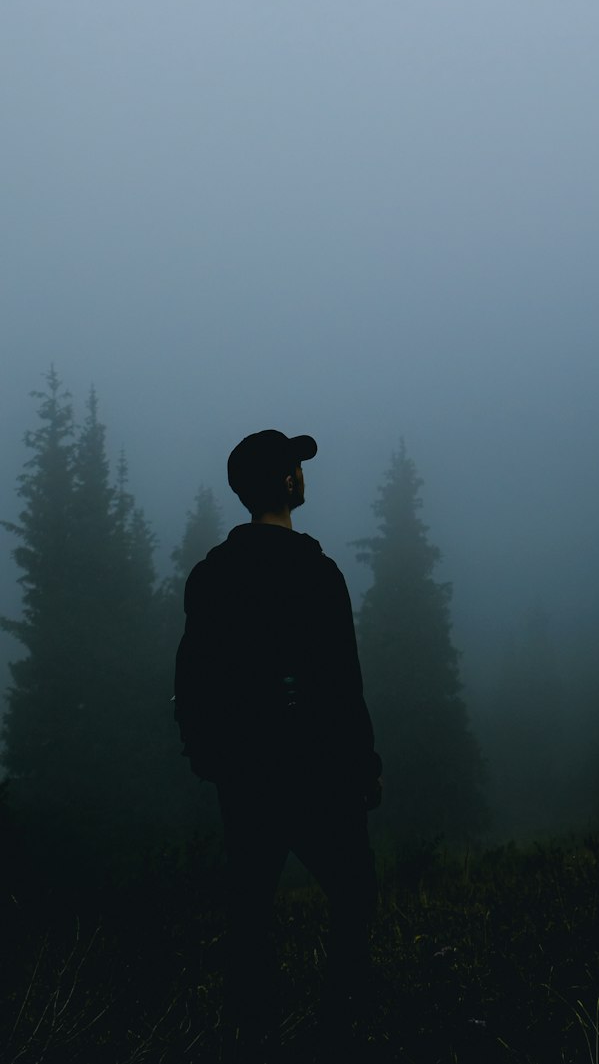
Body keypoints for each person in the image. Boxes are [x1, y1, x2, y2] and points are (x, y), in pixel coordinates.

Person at [174, 429, 381, 1059]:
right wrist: (363, 764)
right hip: (319, 771)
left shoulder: (213, 575)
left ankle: (253, 1035)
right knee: (354, 893)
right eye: (297, 467)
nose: (302, 474)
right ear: (288, 483)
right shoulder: (317, 572)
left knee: (250, 907)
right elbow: (342, 680)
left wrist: (209, 756)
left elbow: (192, 676)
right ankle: (339, 1030)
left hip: (247, 773)